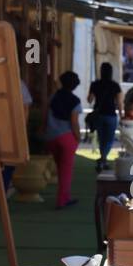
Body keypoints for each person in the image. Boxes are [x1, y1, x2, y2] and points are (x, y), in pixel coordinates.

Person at [44, 70, 81, 210]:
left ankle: (64, 197)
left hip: (51, 136)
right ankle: (62, 199)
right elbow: (74, 122)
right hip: (67, 137)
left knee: (60, 168)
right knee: (66, 170)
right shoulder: (75, 101)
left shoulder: (53, 97)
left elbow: (45, 115)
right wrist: (78, 137)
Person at [87, 61, 123, 171]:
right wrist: (121, 115)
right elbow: (119, 102)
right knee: (109, 139)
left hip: (99, 114)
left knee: (102, 138)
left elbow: (90, 99)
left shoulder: (95, 84)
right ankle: (103, 159)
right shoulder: (115, 85)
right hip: (111, 114)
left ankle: (103, 160)